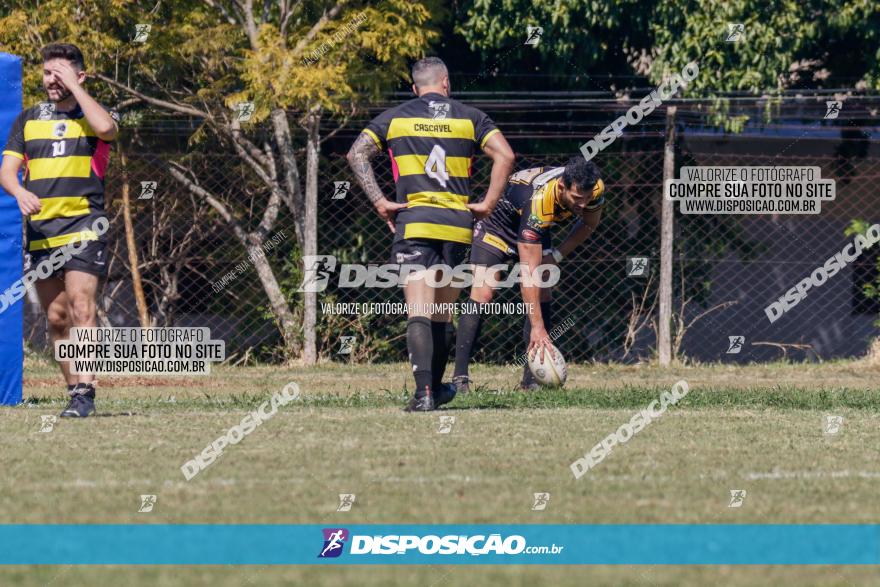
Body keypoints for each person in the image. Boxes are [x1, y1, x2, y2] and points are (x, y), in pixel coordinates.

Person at [346, 56, 515, 411]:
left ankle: (423, 393)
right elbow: (506, 155)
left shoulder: (395, 117)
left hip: (416, 222)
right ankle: (436, 391)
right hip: (456, 225)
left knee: (419, 310)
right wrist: (487, 203)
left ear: (414, 88)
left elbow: (356, 152)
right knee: (442, 313)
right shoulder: (470, 117)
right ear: (447, 83)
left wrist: (380, 201)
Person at [0, 43, 119, 417]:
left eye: (61, 73)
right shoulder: (28, 119)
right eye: (48, 73)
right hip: (42, 231)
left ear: (79, 76)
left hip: (84, 226)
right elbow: (7, 170)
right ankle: (74, 391)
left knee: (83, 306)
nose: (51, 80)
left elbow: (107, 129)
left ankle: (86, 391)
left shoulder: (94, 115)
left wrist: (77, 88)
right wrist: (19, 192)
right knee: (56, 316)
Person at [452, 157, 605, 392]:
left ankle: (530, 382)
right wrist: (538, 327)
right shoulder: (540, 201)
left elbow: (588, 224)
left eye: (586, 199)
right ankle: (459, 379)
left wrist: (557, 255)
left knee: (543, 292)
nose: (582, 204)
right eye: (576, 199)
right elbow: (528, 276)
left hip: (536, 228)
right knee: (483, 292)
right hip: (498, 225)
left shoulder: (594, 188)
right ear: (562, 187)